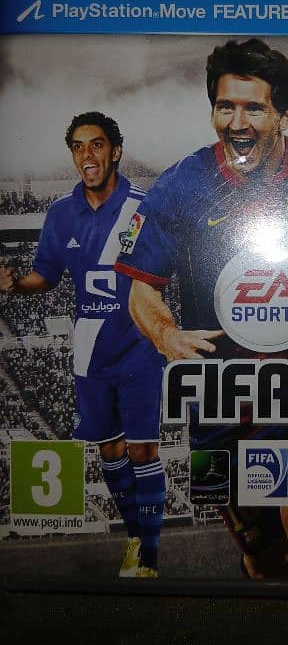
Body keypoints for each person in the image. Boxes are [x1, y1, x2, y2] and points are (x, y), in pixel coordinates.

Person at [115, 38, 288, 580]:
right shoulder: (179, 187)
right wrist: (166, 334)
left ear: (285, 114)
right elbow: (141, 290)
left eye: (253, 108)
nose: (237, 122)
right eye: (225, 106)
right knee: (263, 558)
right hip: (225, 398)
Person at [0, 112, 166, 579]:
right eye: (77, 146)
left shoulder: (143, 208)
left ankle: (149, 559)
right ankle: (135, 538)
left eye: (96, 144)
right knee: (110, 453)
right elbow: (46, 275)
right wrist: (15, 284)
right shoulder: (60, 213)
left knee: (143, 452)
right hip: (90, 351)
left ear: (115, 151)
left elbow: (163, 275)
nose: (86, 155)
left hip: (138, 347)